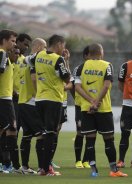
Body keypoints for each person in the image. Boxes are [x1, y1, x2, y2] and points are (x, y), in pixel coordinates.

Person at [75, 43, 127, 177]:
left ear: (89, 53)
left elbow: (77, 87)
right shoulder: (107, 65)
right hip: (102, 108)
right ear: (101, 53)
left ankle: (94, 171)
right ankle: (114, 170)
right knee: (108, 140)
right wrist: (97, 102)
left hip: (87, 109)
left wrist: (90, 101)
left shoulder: (81, 67)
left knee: (90, 140)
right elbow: (106, 85)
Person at [30, 34, 71, 176]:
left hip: (39, 99)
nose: (63, 48)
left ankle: (42, 167)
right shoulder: (57, 59)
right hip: (53, 100)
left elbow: (32, 68)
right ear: (59, 44)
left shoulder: (38, 55)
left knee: (43, 134)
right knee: (51, 134)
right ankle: (47, 169)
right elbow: (67, 79)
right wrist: (65, 61)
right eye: (63, 45)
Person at [18, 38, 47, 174]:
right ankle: (43, 168)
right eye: (45, 47)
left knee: (27, 135)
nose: (46, 50)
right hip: (31, 101)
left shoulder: (23, 60)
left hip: (22, 100)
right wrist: (39, 95)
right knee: (41, 134)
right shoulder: (35, 60)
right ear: (39, 46)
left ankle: (24, 166)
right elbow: (34, 78)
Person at [0, 29, 18, 173]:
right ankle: (6, 164)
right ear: (4, 40)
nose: (14, 43)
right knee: (8, 129)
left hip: (5, 97)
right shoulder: (2, 54)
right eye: (12, 40)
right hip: (3, 99)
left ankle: (6, 163)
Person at [73, 46, 91, 169]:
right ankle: (78, 160)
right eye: (91, 55)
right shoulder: (79, 69)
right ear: (85, 56)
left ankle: (86, 160)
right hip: (80, 105)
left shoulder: (99, 68)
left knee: (90, 133)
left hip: (93, 105)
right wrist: (76, 99)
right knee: (80, 132)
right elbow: (74, 86)